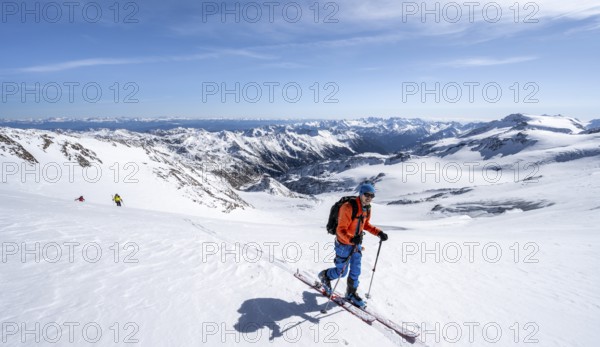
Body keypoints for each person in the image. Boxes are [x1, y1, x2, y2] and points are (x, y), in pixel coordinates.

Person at [319, 183, 388, 307]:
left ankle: (351, 292)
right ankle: (325, 276)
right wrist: (352, 239)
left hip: (356, 244)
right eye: (367, 194)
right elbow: (341, 230)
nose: (369, 197)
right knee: (342, 272)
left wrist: (379, 233)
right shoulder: (347, 207)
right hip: (343, 244)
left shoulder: (367, 208)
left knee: (356, 269)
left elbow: (365, 225)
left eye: (372, 196)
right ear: (361, 193)